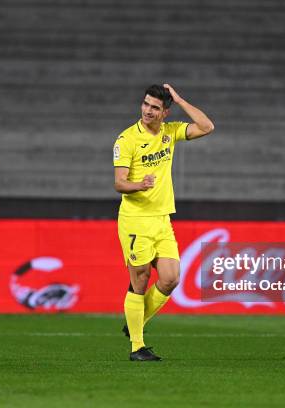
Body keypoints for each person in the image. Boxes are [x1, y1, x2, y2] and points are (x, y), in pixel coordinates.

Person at [113, 84, 214, 361]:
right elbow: (119, 183)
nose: (147, 110)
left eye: (155, 107)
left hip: (162, 220)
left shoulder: (170, 132)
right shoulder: (127, 139)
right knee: (141, 279)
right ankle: (136, 347)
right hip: (135, 220)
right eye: (145, 104)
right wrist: (139, 184)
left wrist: (181, 99)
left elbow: (206, 126)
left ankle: (135, 321)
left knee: (170, 279)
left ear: (165, 112)